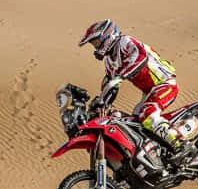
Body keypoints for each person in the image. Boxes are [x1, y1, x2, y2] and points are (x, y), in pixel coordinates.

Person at [78, 19, 188, 159]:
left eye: (97, 42)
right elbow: (112, 85)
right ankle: (158, 151)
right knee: (134, 122)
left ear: (108, 35)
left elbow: (140, 58)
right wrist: (103, 102)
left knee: (148, 114)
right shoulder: (109, 61)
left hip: (164, 83)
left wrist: (121, 75)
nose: (96, 47)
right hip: (150, 91)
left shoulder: (125, 42)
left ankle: (179, 144)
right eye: (94, 44)